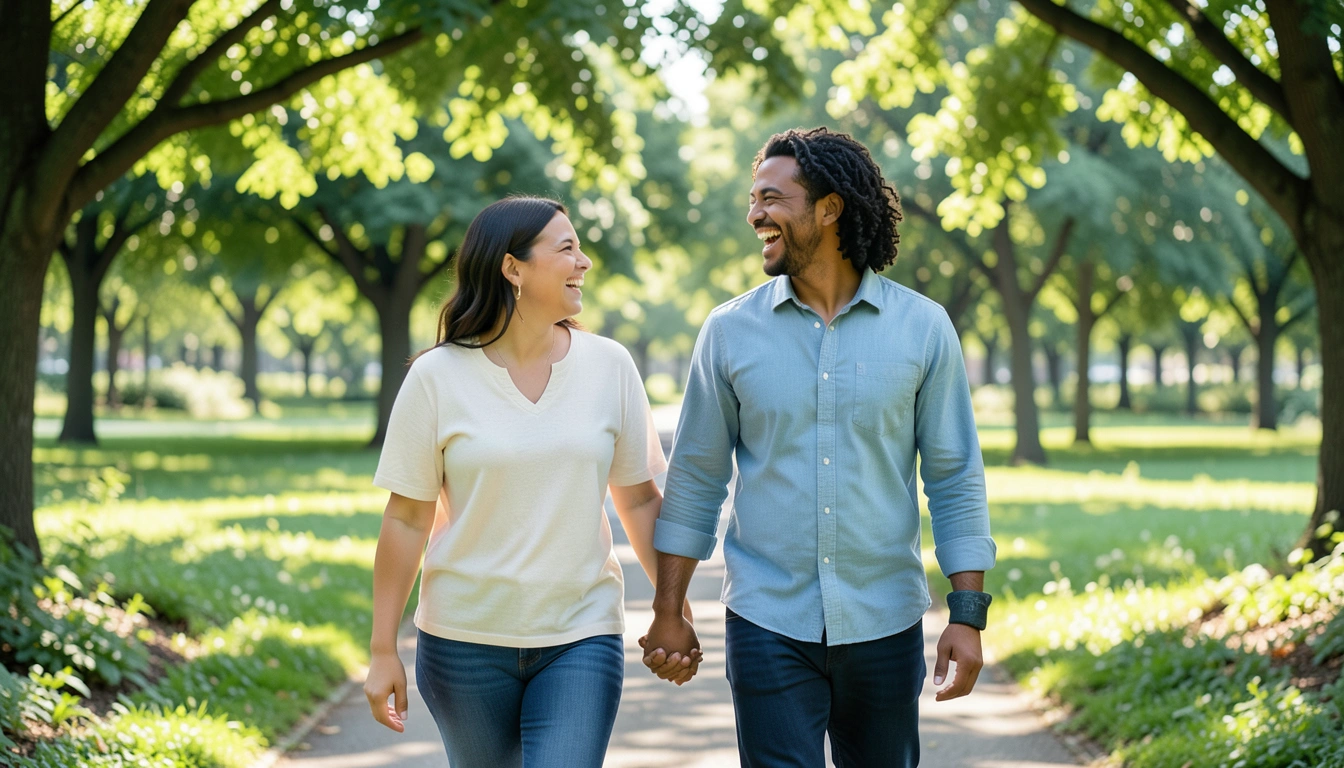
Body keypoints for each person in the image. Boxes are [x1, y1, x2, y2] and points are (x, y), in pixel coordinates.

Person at [641, 128, 997, 767]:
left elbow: (953, 476)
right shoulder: (728, 332)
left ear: (829, 208)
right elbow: (696, 477)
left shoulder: (923, 328)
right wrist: (670, 607)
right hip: (767, 620)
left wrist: (966, 614)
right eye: (753, 199)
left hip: (884, 621)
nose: (755, 215)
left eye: (772, 199)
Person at [363, 196, 696, 767]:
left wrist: (675, 608)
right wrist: (381, 648)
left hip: (580, 636)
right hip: (463, 642)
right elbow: (406, 516)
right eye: (566, 248)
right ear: (512, 268)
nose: (584, 262)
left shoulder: (609, 366)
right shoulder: (435, 377)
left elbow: (640, 500)